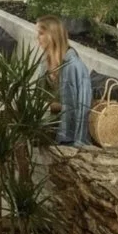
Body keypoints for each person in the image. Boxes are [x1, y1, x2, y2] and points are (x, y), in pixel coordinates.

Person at [36, 15, 92, 146]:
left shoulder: (75, 66)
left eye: (41, 33)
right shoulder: (44, 62)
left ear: (52, 35)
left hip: (66, 131)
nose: (37, 37)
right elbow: (38, 95)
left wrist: (51, 106)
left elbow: (82, 107)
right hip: (46, 121)